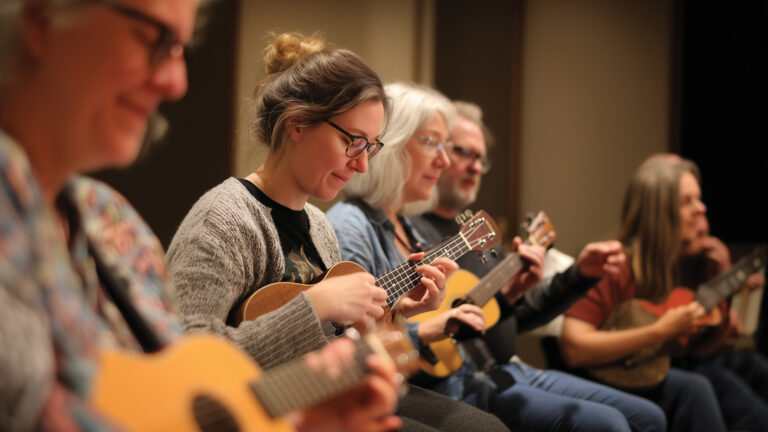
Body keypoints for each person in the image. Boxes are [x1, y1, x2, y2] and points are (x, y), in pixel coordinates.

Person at [0, 3, 400, 431]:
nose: (177, 83)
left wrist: (306, 421)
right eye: (155, 39)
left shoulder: (111, 221)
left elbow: (177, 398)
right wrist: (313, 307)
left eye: (181, 50)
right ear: (40, 21)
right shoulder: (221, 217)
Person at [167, 33, 510, 432]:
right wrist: (315, 305)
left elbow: (341, 350)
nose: (362, 165)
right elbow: (183, 358)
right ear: (297, 123)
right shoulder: (223, 219)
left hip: (325, 397)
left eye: (371, 147)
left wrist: (397, 315)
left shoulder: (319, 225)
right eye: (353, 142)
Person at [406, 100, 667, 432]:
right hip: (464, 380)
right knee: (608, 423)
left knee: (650, 417)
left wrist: (580, 275)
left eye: (481, 159)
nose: (475, 167)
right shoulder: (412, 234)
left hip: (507, 369)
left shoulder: (479, 233)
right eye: (464, 153)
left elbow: (514, 319)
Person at [561, 157, 768, 431]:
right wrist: (659, 332)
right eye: (687, 201)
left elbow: (701, 348)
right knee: (698, 389)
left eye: (699, 199)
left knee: (756, 371)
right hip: (619, 375)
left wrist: (723, 283)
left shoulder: (694, 261)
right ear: (659, 213)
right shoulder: (616, 264)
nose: (701, 208)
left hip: (672, 364)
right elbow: (574, 347)